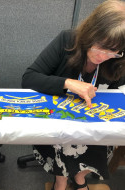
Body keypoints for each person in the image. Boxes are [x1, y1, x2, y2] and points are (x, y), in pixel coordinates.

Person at [22, 0, 125, 190]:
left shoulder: (118, 58)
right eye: (100, 46)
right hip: (57, 120)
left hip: (92, 119)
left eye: (113, 51)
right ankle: (60, 180)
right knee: (61, 144)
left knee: (101, 141)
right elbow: (29, 78)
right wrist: (67, 83)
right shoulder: (67, 40)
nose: (103, 56)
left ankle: (79, 178)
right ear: (91, 32)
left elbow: (118, 94)